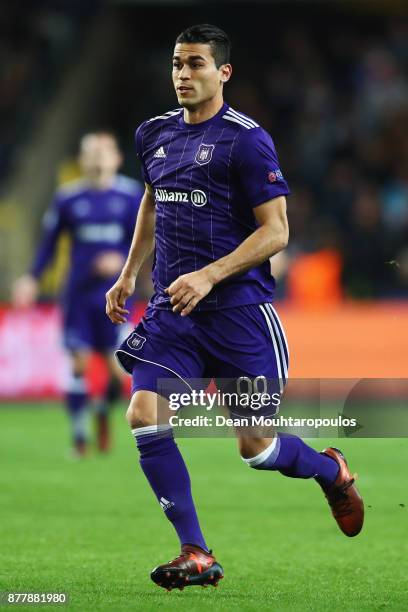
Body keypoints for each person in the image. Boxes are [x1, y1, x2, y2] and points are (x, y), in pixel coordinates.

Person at [106, 24, 364, 591]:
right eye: (176, 63)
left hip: (240, 315)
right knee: (143, 413)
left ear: (223, 72)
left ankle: (331, 470)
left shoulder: (247, 141)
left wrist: (211, 273)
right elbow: (153, 201)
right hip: (174, 313)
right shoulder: (153, 134)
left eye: (195, 64)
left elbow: (277, 231)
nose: (182, 74)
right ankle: (195, 551)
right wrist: (129, 274)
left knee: (255, 445)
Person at [14, 132, 143, 456]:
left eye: (104, 152)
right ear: (82, 160)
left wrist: (123, 259)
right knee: (79, 364)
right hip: (78, 295)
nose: (98, 158)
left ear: (116, 158)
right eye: (91, 153)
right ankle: (80, 434)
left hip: (117, 296)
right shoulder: (68, 198)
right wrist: (31, 278)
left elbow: (147, 241)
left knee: (119, 368)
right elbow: (48, 244)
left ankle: (102, 409)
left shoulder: (131, 197)